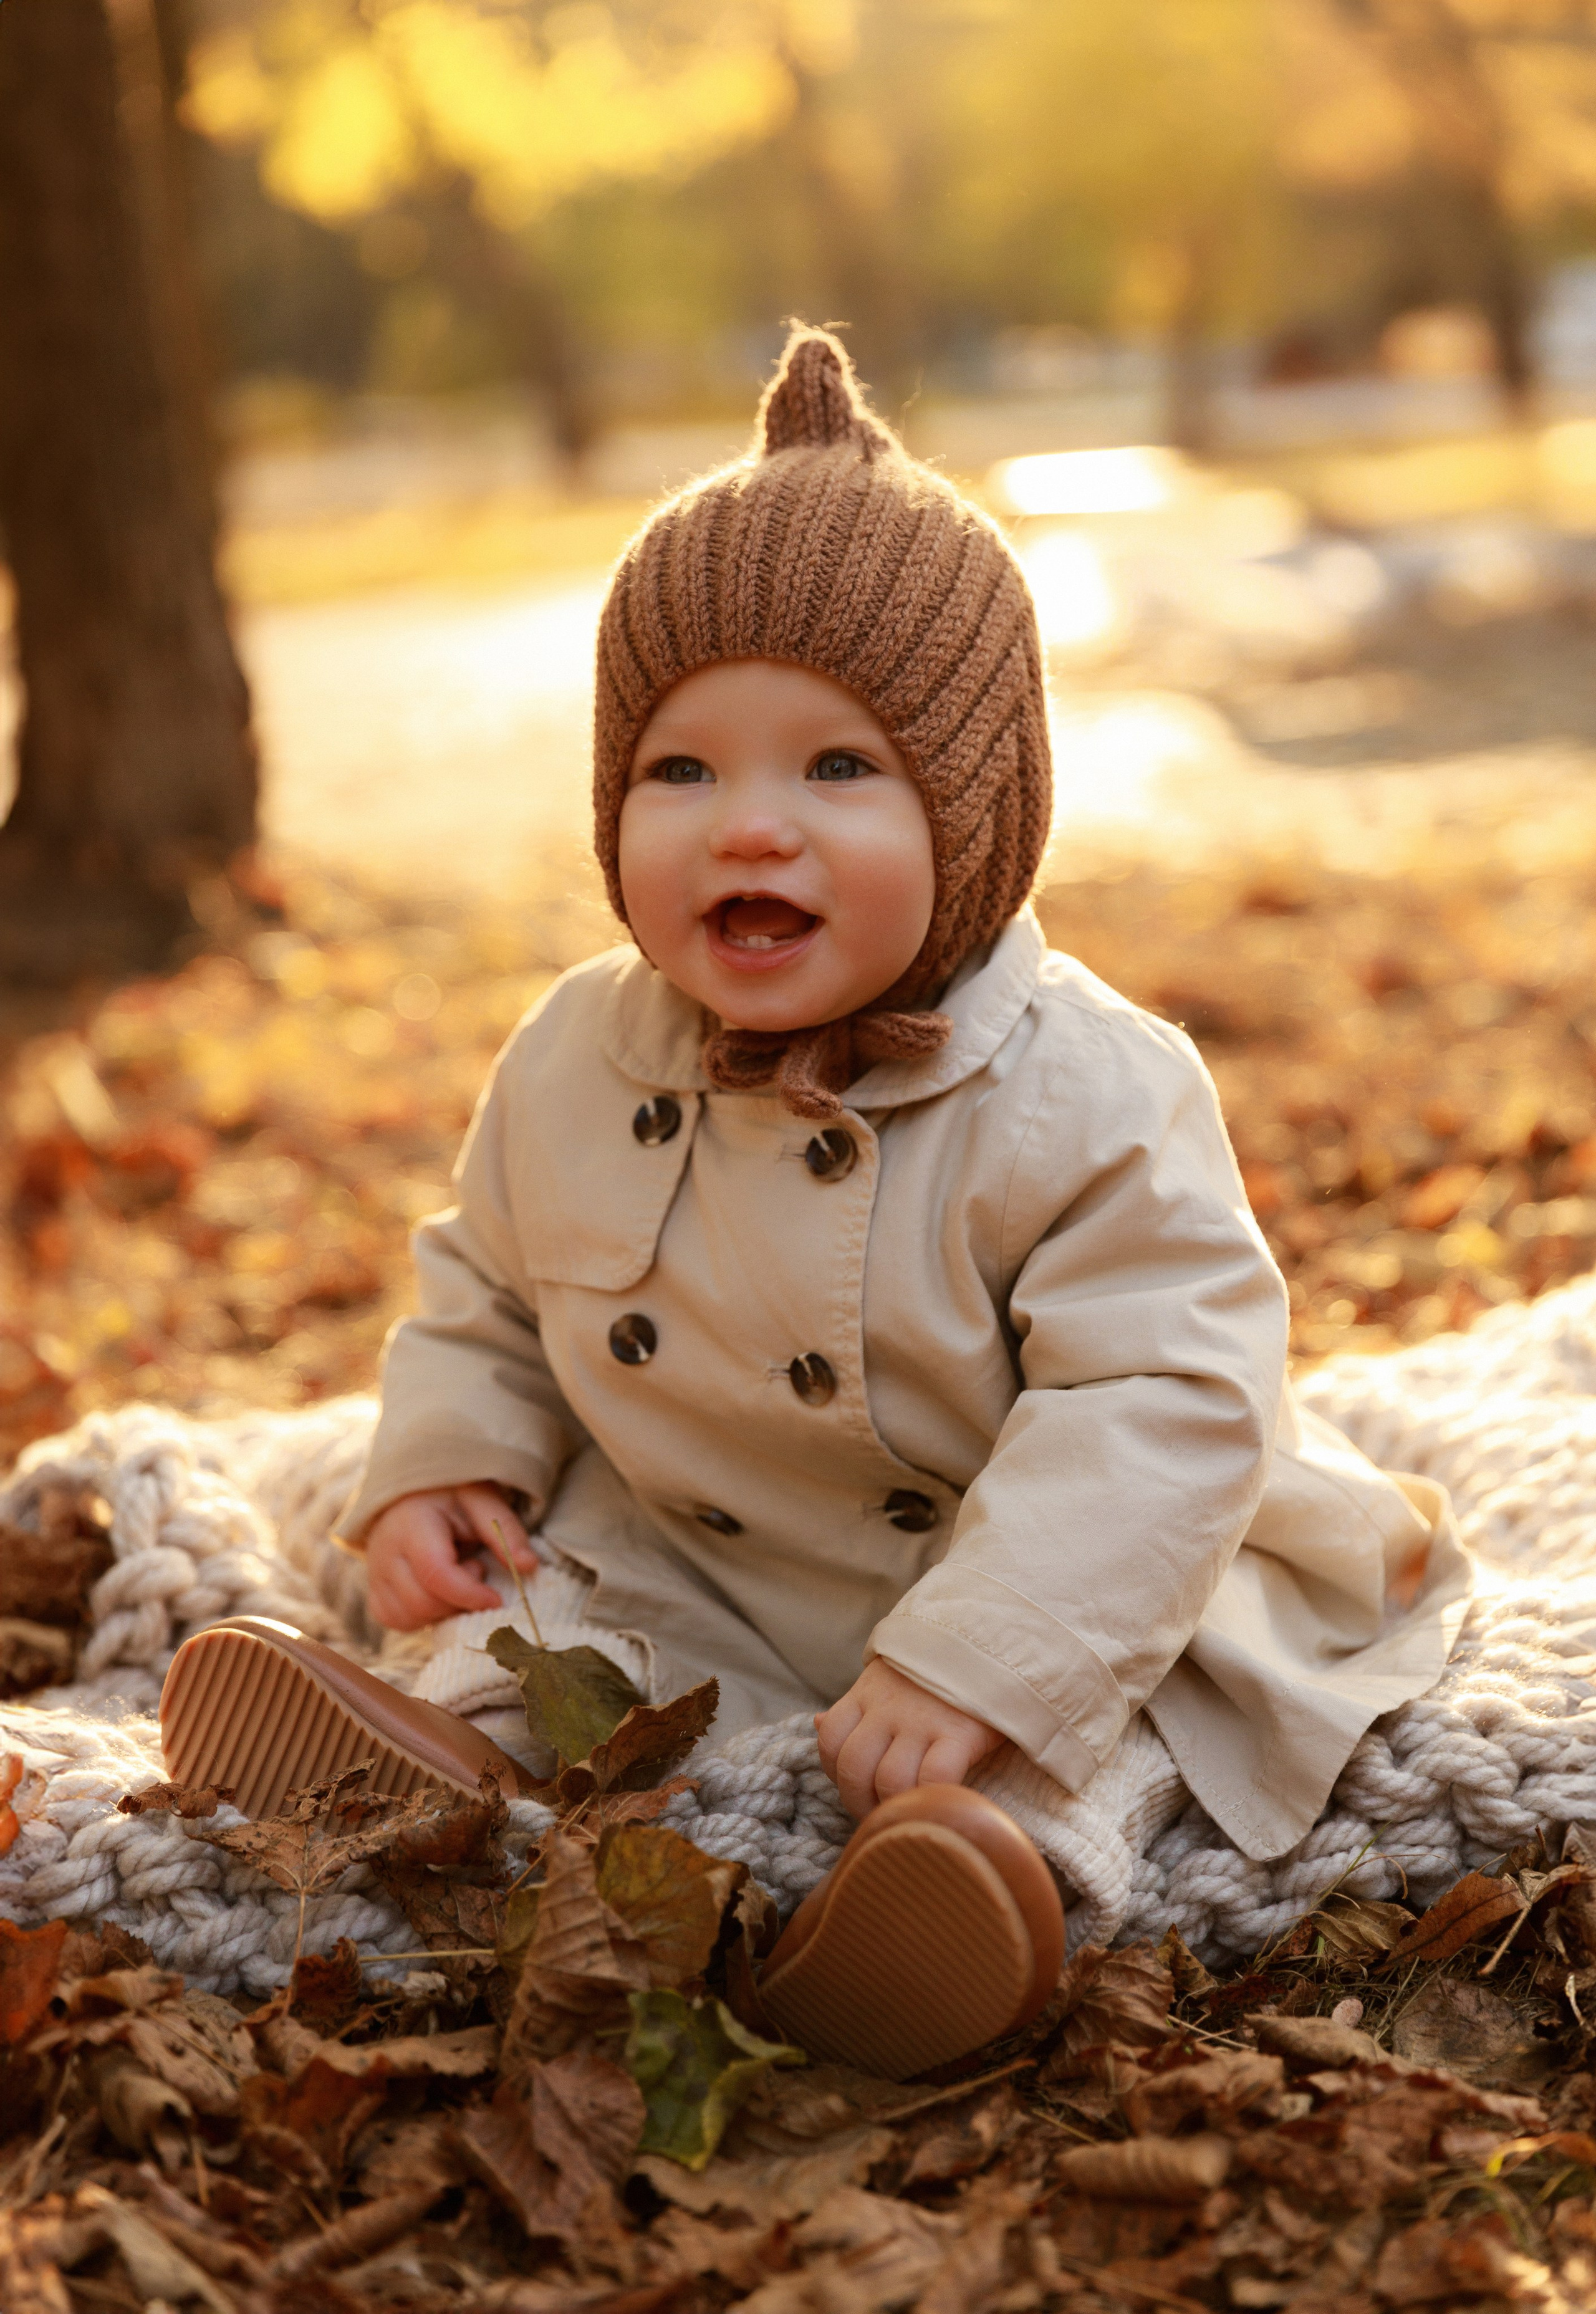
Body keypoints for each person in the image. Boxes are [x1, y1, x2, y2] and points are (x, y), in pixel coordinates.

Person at [160, 328, 1471, 2078]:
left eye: (838, 771)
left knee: (1119, 1726)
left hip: (1058, 1564)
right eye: (678, 771)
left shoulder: (1085, 1088)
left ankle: (958, 1911)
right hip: (710, 1569)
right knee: (551, 1639)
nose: (745, 829)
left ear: (976, 809)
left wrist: (990, 1660)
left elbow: (1164, 1399)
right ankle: (442, 1780)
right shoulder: (576, 1055)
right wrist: (449, 1459)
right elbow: (486, 1281)